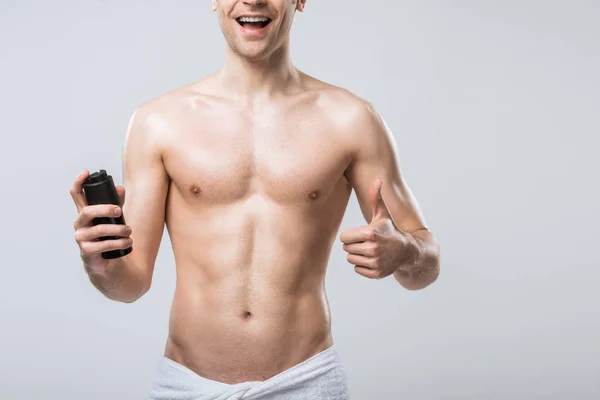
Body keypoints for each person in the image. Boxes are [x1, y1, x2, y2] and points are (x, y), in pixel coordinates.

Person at [70, 0, 441, 398]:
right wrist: (101, 264)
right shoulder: (158, 122)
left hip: (307, 382)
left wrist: (404, 251)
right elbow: (130, 285)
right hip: (190, 385)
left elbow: (427, 261)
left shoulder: (351, 119)